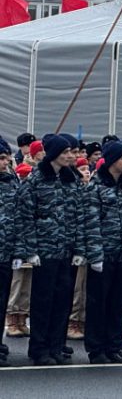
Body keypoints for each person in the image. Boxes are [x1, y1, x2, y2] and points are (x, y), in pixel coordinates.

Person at [13, 134, 83, 365]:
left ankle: (56, 345)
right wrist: (30, 249)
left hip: (66, 249)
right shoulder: (36, 180)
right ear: (54, 154)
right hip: (44, 250)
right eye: (65, 152)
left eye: (72, 152)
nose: (70, 156)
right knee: (43, 302)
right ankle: (39, 348)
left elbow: (77, 216)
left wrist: (78, 247)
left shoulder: (69, 179)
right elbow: (25, 216)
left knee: (63, 300)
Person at [80, 140, 122, 364]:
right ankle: (96, 348)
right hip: (104, 254)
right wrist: (96, 254)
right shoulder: (96, 187)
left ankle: (115, 344)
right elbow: (91, 222)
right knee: (98, 303)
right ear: (112, 160)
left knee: (119, 302)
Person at [0, 136, 16, 366]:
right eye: (1, 158)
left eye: (6, 158)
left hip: (4, 252)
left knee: (2, 301)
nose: (5, 162)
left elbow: (19, 218)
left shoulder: (11, 182)